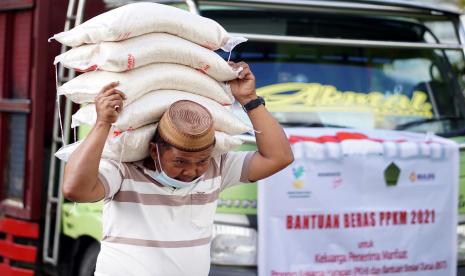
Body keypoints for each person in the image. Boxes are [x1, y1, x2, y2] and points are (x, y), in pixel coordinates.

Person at [62, 61, 294, 276]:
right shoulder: (124, 170)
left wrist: (250, 100)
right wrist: (103, 123)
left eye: (201, 161)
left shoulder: (217, 168)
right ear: (155, 151)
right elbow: (75, 189)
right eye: (180, 162)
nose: (191, 171)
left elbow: (279, 157)